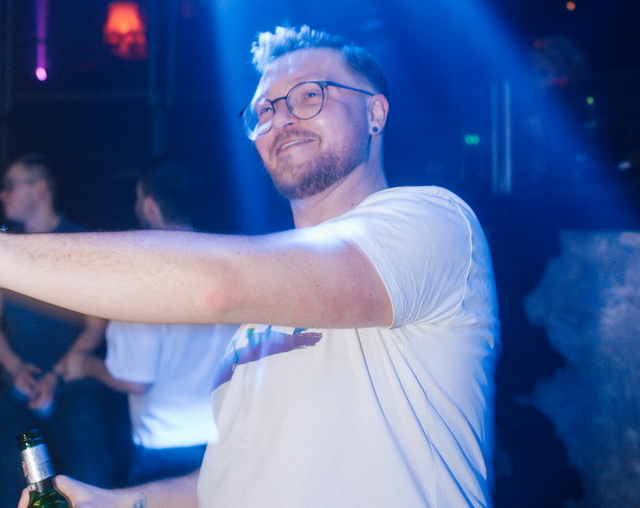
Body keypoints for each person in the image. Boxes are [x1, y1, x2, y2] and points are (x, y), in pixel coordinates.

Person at [10, 25, 499, 507]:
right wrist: (116, 503)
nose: (281, 118)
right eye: (265, 109)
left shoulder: (432, 222)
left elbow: (218, 285)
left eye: (309, 95)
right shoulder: (256, 326)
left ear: (375, 112)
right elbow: (233, 477)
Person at [56, 158, 237, 484]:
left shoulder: (143, 278)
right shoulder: (228, 264)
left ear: (150, 206)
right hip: (226, 437)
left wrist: (87, 365)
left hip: (167, 447)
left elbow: (135, 380)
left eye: (138, 197)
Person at [0, 153, 116, 505]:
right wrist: (15, 368)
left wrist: (55, 376)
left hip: (74, 391)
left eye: (10, 186)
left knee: (91, 489)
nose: (3, 195)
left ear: (40, 188)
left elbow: (96, 326)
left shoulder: (80, 242)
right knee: (15, 493)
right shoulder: (8, 247)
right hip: (19, 392)